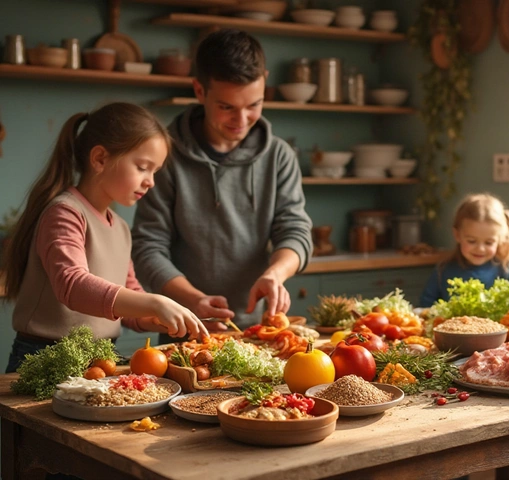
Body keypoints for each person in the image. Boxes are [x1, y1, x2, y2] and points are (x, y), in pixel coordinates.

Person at [131, 28, 313, 337]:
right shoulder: (166, 154)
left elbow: (295, 230)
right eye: (227, 107)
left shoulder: (279, 156)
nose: (241, 120)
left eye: (253, 105)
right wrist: (193, 301)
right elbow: (148, 247)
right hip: (186, 328)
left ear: (265, 81)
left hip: (261, 330)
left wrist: (275, 274)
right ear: (200, 91)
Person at [2, 102, 209, 373]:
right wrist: (157, 302)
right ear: (100, 159)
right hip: (44, 359)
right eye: (143, 167)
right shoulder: (64, 214)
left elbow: (129, 296)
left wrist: (156, 317)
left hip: (101, 359)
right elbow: (73, 286)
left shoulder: (121, 227)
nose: (151, 182)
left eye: (155, 172)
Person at [419, 192, 509, 307]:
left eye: (489, 243)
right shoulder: (443, 270)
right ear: (457, 235)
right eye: (471, 241)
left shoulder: (506, 271)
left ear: (500, 239)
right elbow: (425, 306)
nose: (480, 249)